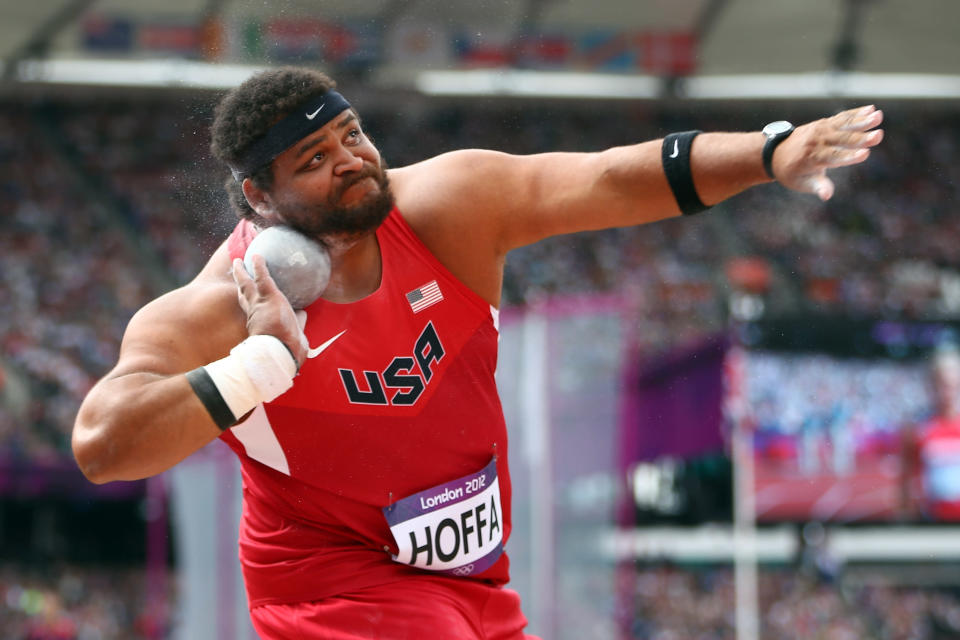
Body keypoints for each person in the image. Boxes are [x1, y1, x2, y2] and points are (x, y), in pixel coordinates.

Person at [72, 66, 884, 639]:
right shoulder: (225, 307)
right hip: (334, 584)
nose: (351, 161)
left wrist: (767, 153)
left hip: (474, 579)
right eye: (313, 162)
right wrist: (256, 367)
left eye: (352, 136)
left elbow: (608, 179)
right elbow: (104, 446)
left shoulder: (445, 208)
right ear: (259, 196)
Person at [902, 344, 960, 521]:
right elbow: (905, 482)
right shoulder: (919, 428)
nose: (946, 391)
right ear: (931, 385)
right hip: (933, 522)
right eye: (940, 384)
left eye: (951, 384)